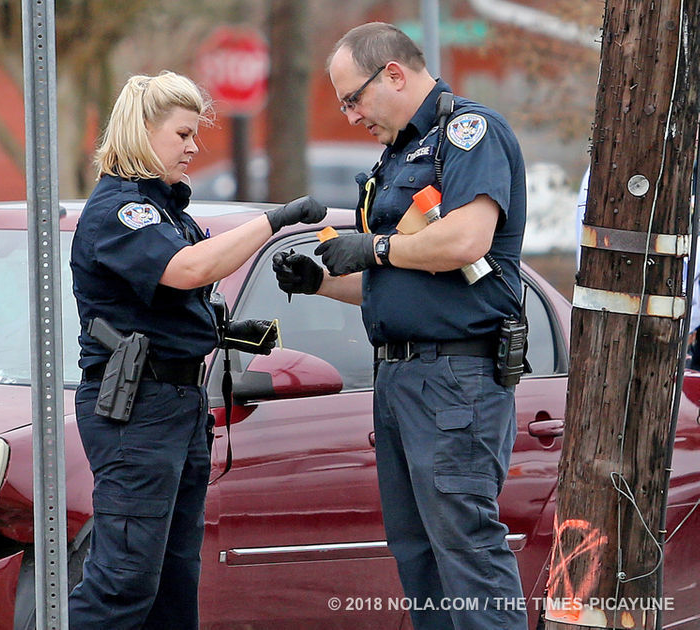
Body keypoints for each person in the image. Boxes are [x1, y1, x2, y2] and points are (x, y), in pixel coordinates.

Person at [273, 23, 528, 629]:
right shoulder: (396, 155)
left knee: (465, 548)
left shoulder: (468, 133)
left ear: (392, 73)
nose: (349, 114)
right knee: (418, 555)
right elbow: (392, 278)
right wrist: (319, 281)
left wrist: (375, 249)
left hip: (455, 376)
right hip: (401, 376)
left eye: (352, 98)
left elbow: (467, 239)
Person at [68, 71, 326, 629]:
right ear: (142, 132)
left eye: (195, 134)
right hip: (137, 408)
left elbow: (187, 290)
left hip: (178, 403)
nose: (194, 147)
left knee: (173, 583)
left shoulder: (168, 213)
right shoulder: (122, 210)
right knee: (124, 580)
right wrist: (274, 221)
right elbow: (189, 270)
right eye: (183, 134)